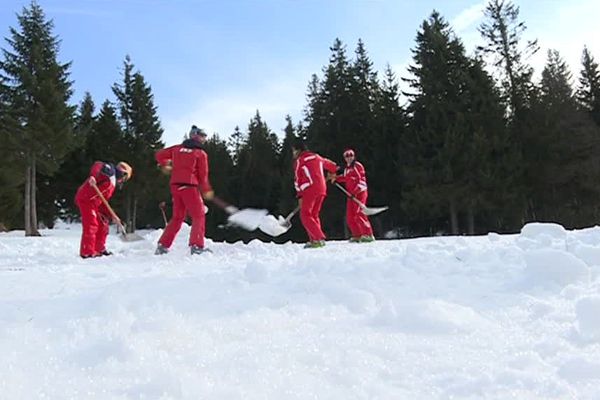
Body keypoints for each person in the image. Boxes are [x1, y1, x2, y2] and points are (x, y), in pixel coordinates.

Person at [155, 125, 214, 255]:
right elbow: (203, 176)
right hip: (189, 186)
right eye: (202, 136)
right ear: (195, 135)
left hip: (175, 186)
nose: (204, 139)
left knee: (177, 217)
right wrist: (206, 190)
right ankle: (197, 246)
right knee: (198, 215)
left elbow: (159, 155)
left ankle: (163, 245)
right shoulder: (200, 153)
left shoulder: (177, 149)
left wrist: (165, 165)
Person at [75, 161, 133, 258]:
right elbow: (98, 164)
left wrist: (112, 215)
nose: (122, 182)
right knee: (92, 224)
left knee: (103, 223)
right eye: (124, 179)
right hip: (86, 200)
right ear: (123, 173)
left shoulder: (112, 183)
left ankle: (99, 248)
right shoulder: (110, 171)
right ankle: (87, 252)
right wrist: (93, 176)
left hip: (95, 203)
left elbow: (103, 201)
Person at [291, 138, 337, 248]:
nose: (292, 153)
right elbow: (333, 165)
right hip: (322, 189)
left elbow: (297, 180)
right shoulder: (317, 157)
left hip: (309, 189)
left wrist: (300, 196)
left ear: (298, 150)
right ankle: (314, 240)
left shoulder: (299, 161)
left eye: (293, 150)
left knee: (305, 215)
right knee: (314, 214)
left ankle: (318, 238)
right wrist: (332, 173)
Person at [333, 148, 374, 242]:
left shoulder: (357, 166)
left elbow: (359, 179)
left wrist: (355, 192)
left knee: (359, 213)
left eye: (351, 155)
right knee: (350, 216)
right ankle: (357, 235)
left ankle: (368, 234)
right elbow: (346, 178)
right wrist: (336, 178)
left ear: (354, 156)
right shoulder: (347, 168)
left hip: (360, 192)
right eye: (347, 156)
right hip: (351, 194)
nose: (349, 158)